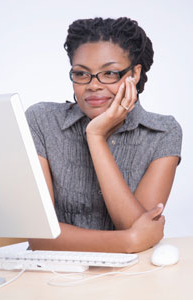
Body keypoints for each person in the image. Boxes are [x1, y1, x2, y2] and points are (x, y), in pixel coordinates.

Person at [25, 17, 182, 253]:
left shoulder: (163, 132)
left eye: (109, 73)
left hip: (132, 277)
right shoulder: (42, 120)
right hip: (52, 275)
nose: (93, 85)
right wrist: (128, 241)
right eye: (81, 74)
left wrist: (96, 137)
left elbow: (139, 229)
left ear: (135, 74)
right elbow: (40, 236)